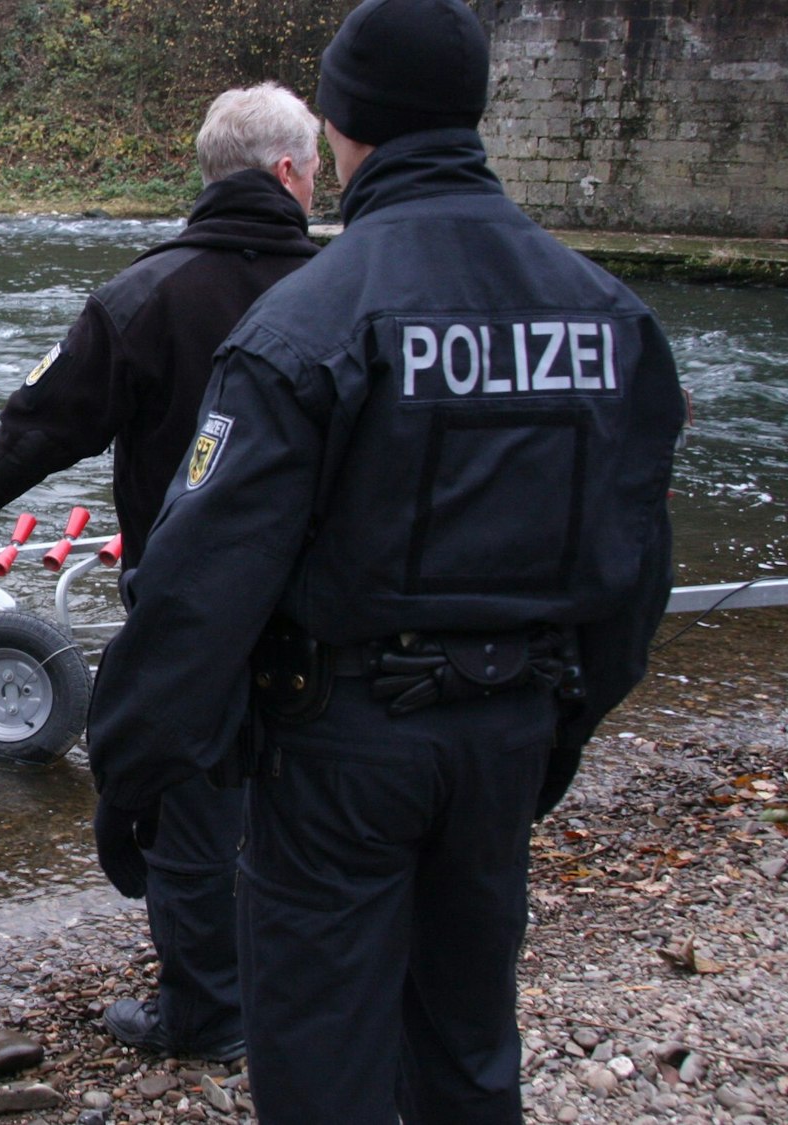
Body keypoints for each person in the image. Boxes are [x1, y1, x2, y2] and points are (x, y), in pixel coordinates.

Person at [82, 0, 687, 1120]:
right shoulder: (608, 317)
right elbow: (633, 572)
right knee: (467, 1040)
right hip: (508, 727)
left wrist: (133, 768)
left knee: (322, 1054)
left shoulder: (307, 322)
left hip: (339, 750)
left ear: (341, 126)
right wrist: (559, 729)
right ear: (471, 112)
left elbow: (197, 582)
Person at [0, 82, 324, 1061]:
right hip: (328, 608)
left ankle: (208, 1016)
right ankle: (314, 991)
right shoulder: (343, 289)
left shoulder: (143, 296)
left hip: (191, 610)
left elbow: (36, 430)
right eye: (314, 170)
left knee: (188, 805)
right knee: (310, 803)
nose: (318, 184)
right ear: (285, 174)